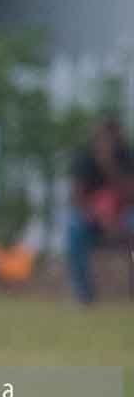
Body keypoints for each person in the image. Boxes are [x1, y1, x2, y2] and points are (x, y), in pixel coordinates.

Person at [66, 117, 134, 303]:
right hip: (93, 218)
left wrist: (109, 166)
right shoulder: (84, 159)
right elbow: (75, 198)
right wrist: (99, 215)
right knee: (74, 227)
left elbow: (131, 194)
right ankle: (84, 294)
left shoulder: (127, 157)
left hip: (123, 216)